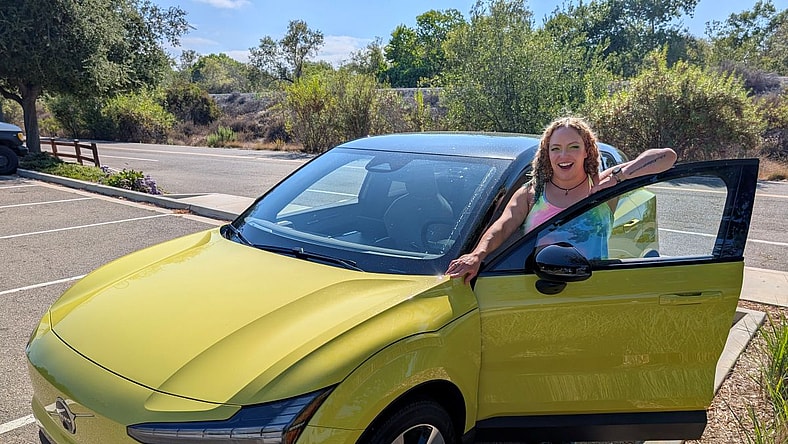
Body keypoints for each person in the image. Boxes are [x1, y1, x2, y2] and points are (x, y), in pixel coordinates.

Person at [445, 116, 677, 284]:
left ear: (587, 151)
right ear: (547, 154)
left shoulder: (600, 187)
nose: (563, 156)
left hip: (592, 289)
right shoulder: (532, 193)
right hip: (538, 289)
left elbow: (667, 157)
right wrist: (476, 255)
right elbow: (502, 227)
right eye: (555, 149)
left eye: (573, 147)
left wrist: (619, 176)